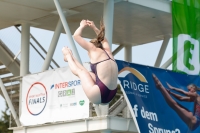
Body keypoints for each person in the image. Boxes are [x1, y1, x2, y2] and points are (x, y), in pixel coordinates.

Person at [62, 19, 118, 105]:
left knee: (81, 73)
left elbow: (76, 36)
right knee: (87, 73)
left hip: (98, 93)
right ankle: (71, 56)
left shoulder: (93, 49)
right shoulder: (108, 51)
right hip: (111, 95)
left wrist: (82, 26)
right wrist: (94, 28)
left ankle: (68, 56)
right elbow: (104, 40)